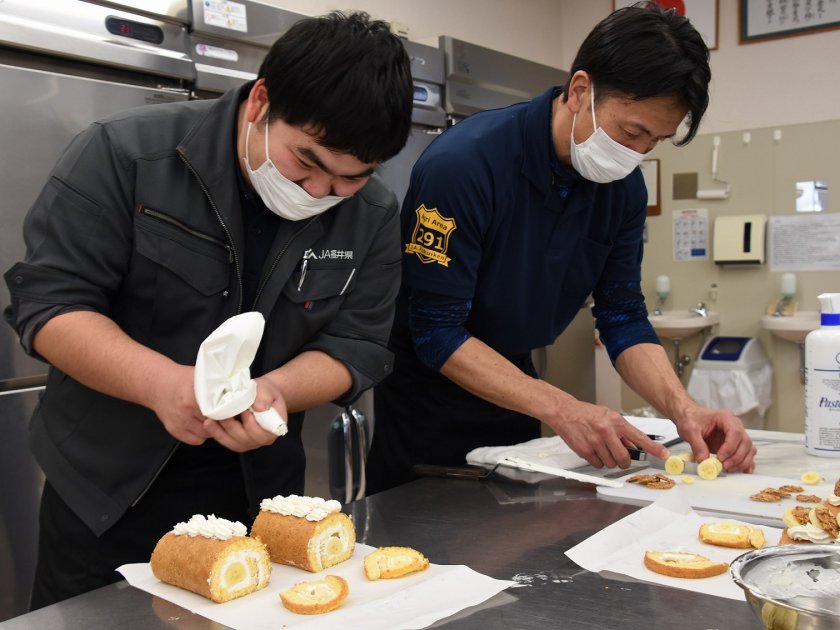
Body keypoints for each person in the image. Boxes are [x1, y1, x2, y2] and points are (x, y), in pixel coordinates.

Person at [3, 11, 412, 608]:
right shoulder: (125, 155)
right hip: (106, 494)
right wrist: (164, 386)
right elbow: (50, 306)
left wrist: (276, 391)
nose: (321, 193)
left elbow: (359, 346)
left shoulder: (372, 213)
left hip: (259, 502)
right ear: (261, 103)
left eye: (351, 178)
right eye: (308, 163)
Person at [366, 3, 757, 494]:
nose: (636, 154)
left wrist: (686, 410)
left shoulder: (624, 190)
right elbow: (437, 332)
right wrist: (564, 408)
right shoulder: (465, 165)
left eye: (654, 141)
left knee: (514, 540)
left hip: (518, 391)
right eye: (631, 131)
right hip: (428, 402)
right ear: (580, 91)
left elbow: (622, 316)